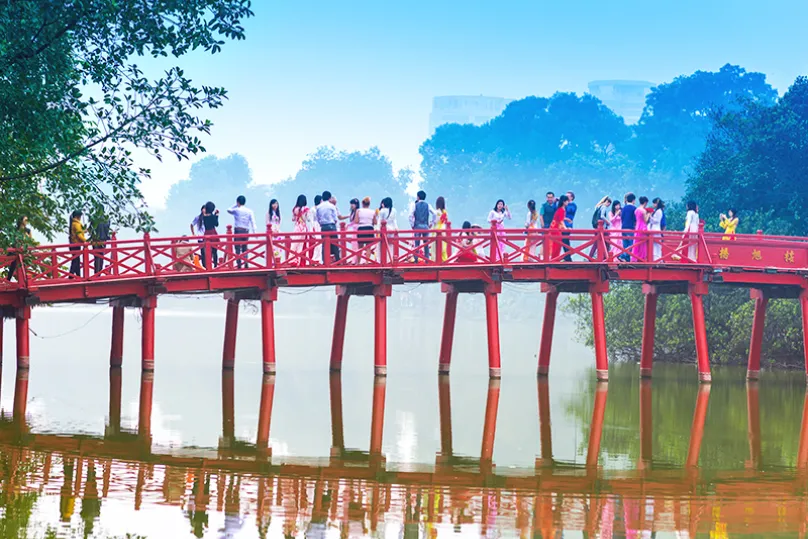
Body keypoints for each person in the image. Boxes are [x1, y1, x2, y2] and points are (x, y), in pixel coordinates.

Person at [227, 195, 257, 269]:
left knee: (237, 247)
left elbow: (228, 210)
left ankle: (239, 264)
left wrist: (236, 205)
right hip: (246, 230)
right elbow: (253, 222)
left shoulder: (237, 210)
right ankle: (246, 262)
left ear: (238, 202)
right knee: (244, 248)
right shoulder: (249, 211)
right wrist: (254, 232)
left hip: (238, 230)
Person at [409, 190, 436, 262]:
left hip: (417, 226)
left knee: (416, 244)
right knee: (426, 244)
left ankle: (416, 260)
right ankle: (427, 260)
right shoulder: (428, 205)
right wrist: (431, 223)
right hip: (425, 226)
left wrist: (412, 224)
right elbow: (434, 214)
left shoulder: (415, 205)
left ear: (418, 197)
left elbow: (410, 215)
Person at [316, 190, 340, 263]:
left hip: (323, 226)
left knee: (324, 244)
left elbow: (318, 218)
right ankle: (337, 260)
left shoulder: (319, 207)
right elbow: (335, 218)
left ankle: (325, 261)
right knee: (335, 243)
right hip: (331, 225)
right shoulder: (332, 206)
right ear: (329, 198)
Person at [7, 216, 32, 281]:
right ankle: (8, 280)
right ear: (21, 221)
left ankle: (24, 281)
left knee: (24, 266)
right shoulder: (15, 230)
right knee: (13, 265)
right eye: (25, 220)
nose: (27, 221)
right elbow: (12, 240)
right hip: (15, 250)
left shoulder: (28, 230)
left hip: (24, 251)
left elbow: (30, 241)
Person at [289, 194, 312, 265]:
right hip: (303, 227)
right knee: (301, 245)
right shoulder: (306, 209)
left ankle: (291, 260)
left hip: (296, 227)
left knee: (294, 244)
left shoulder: (295, 209)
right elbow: (308, 219)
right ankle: (299, 261)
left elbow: (293, 219)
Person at [354, 196, 377, 262]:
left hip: (361, 228)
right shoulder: (373, 212)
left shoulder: (359, 211)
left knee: (360, 247)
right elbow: (375, 222)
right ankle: (367, 261)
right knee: (368, 247)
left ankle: (358, 262)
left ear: (362, 203)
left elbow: (356, 221)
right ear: (369, 204)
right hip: (370, 228)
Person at [548, 195, 569, 260]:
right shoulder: (561, 210)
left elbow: (560, 219)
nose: (568, 202)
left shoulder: (560, 209)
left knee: (557, 244)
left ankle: (555, 259)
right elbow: (561, 221)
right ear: (564, 202)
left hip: (555, 227)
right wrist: (565, 228)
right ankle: (554, 259)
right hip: (555, 229)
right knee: (556, 245)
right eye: (567, 201)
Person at [200, 202, 220, 268]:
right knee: (215, 251)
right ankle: (215, 265)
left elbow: (210, 218)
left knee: (208, 252)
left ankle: (208, 266)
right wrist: (217, 215)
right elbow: (216, 224)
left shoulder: (204, 216)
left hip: (206, 233)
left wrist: (215, 215)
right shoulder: (212, 217)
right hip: (213, 233)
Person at [377, 197, 397, 261]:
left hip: (384, 230)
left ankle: (381, 260)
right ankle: (390, 259)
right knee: (390, 245)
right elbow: (394, 220)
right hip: (392, 229)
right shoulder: (394, 210)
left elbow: (379, 220)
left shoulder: (382, 210)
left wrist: (377, 228)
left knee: (381, 245)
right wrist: (396, 228)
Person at [632, 197, 651, 262]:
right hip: (643, 227)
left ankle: (635, 257)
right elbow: (645, 220)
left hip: (637, 226)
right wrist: (649, 214)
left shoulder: (636, 210)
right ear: (645, 202)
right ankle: (642, 257)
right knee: (642, 244)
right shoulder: (643, 210)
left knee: (637, 242)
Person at [68, 210, 86, 277]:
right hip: (76, 244)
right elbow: (79, 235)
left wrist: (83, 231)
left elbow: (78, 232)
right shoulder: (76, 224)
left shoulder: (73, 223)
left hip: (73, 243)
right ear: (78, 216)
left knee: (76, 260)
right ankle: (72, 275)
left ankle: (75, 275)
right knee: (75, 260)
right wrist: (86, 241)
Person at [620, 193, 637, 261]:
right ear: (633, 200)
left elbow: (622, 217)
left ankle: (627, 260)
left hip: (623, 227)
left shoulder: (623, 208)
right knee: (631, 244)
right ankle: (623, 255)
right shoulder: (634, 208)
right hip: (630, 227)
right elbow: (635, 219)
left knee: (625, 244)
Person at [562, 191, 577, 262]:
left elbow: (570, 212)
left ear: (571, 197)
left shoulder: (573, 205)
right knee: (564, 240)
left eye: (567, 196)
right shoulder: (564, 205)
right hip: (562, 224)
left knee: (565, 239)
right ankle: (567, 256)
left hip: (568, 225)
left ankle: (568, 256)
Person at [434, 196, 449, 262]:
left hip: (437, 229)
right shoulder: (445, 212)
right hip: (443, 229)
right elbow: (446, 221)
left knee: (435, 247)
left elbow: (435, 221)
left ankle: (435, 261)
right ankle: (444, 260)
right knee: (443, 247)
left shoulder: (437, 212)